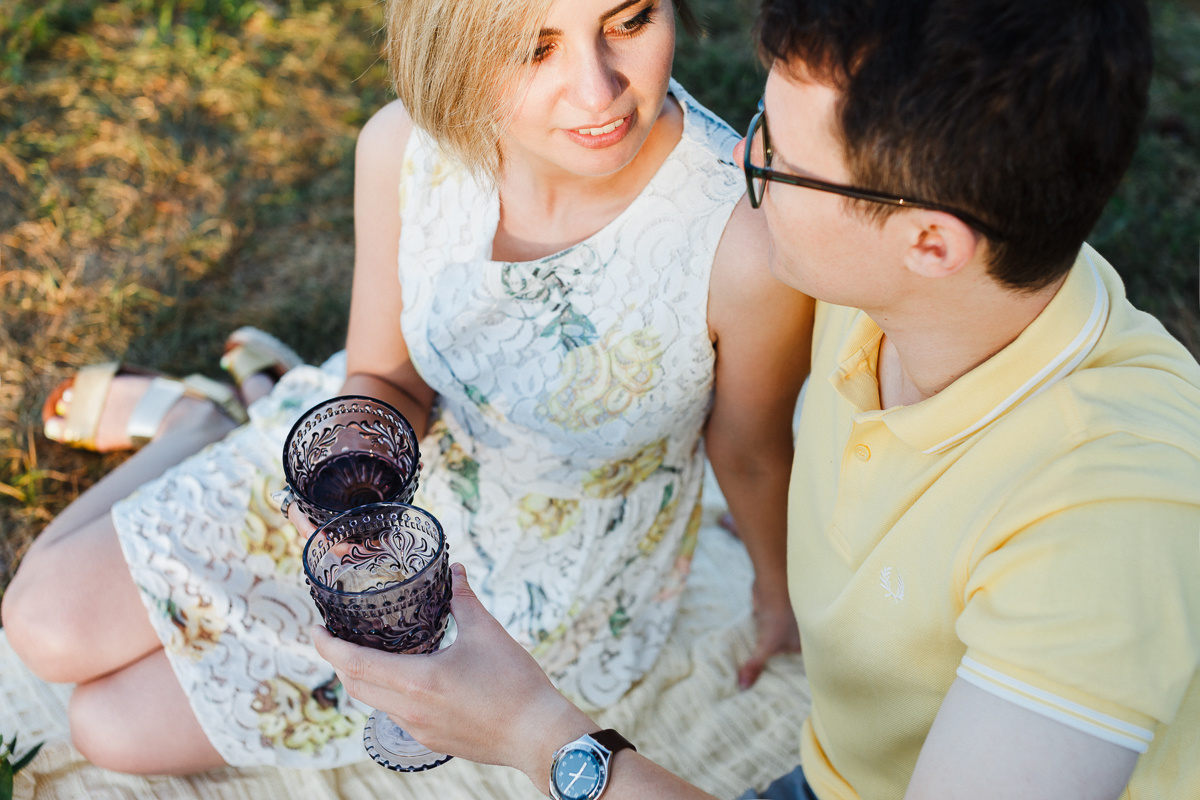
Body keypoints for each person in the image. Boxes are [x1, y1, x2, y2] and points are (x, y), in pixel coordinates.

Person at [310, 0, 1200, 798]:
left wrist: (534, 734)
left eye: (782, 158)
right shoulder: (907, 286)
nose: (739, 157)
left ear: (930, 243)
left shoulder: (1106, 522)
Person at [1, 0, 813, 776]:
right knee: (42, 624)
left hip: (546, 580)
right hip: (375, 490)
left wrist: (777, 598)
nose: (599, 89)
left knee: (105, 727)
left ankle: (206, 416)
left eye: (630, 20)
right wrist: (355, 467)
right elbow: (385, 374)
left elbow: (748, 450)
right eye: (533, 47)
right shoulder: (404, 145)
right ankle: (197, 421)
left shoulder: (741, 239)